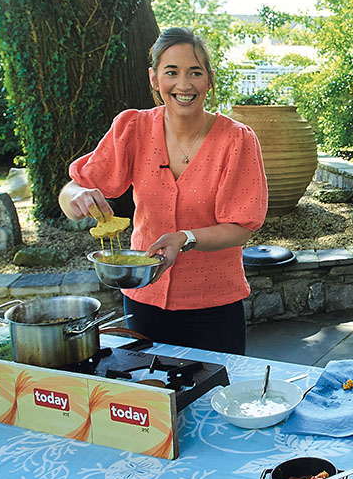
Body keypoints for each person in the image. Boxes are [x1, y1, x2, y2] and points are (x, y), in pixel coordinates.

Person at [59, 27, 267, 355]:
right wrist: (77, 196)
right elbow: (72, 190)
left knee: (215, 387)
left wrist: (185, 238)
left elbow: (242, 227)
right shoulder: (133, 128)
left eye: (195, 73)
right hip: (143, 300)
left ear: (209, 80)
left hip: (214, 306)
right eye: (171, 72)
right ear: (154, 79)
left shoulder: (237, 140)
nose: (184, 85)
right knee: (144, 385)